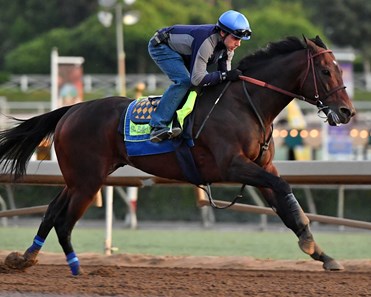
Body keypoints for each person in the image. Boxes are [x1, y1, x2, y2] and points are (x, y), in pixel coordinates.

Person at [148, 10, 252, 142]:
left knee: (207, 83)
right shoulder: (207, 42)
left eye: (240, 40)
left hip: (184, 52)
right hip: (162, 47)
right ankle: (158, 126)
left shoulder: (228, 47)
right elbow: (197, 79)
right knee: (185, 82)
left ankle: (178, 121)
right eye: (236, 38)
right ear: (223, 33)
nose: (238, 44)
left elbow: (224, 79)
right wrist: (225, 75)